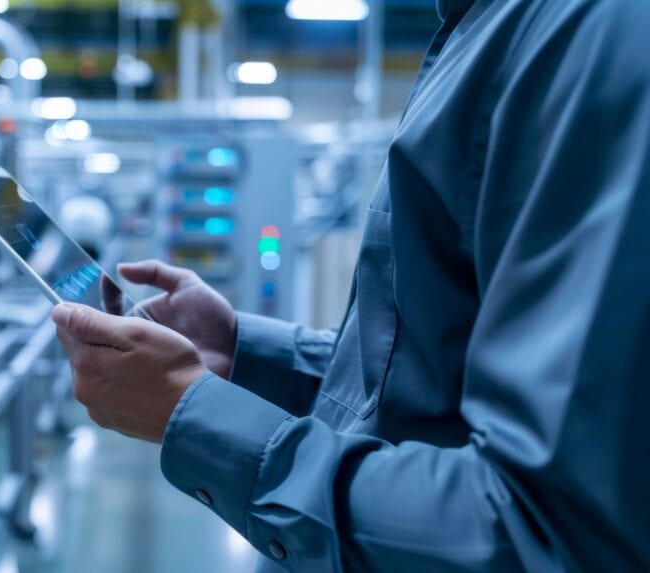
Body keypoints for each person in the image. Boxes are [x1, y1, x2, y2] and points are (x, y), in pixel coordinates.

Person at [52, 0, 650, 570]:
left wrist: (196, 414)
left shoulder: (588, 32)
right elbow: (425, 384)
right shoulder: (483, 28)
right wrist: (245, 353)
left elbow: (539, 533)